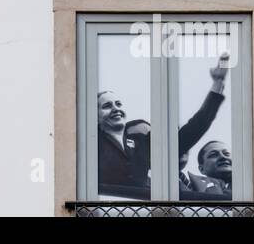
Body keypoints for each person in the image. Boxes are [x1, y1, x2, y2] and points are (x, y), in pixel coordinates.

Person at [97, 52, 230, 197]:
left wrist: (218, 83)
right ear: (94, 116)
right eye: (107, 106)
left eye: (118, 104)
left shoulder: (143, 143)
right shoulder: (93, 142)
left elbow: (196, 127)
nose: (116, 109)